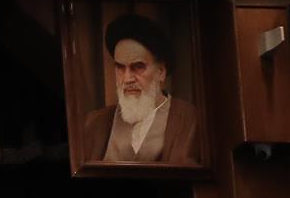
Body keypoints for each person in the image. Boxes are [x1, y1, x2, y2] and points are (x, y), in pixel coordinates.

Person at [78, 13, 201, 168]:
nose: (127, 79)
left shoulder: (188, 119)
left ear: (161, 72)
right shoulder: (94, 123)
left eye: (138, 67)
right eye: (120, 68)